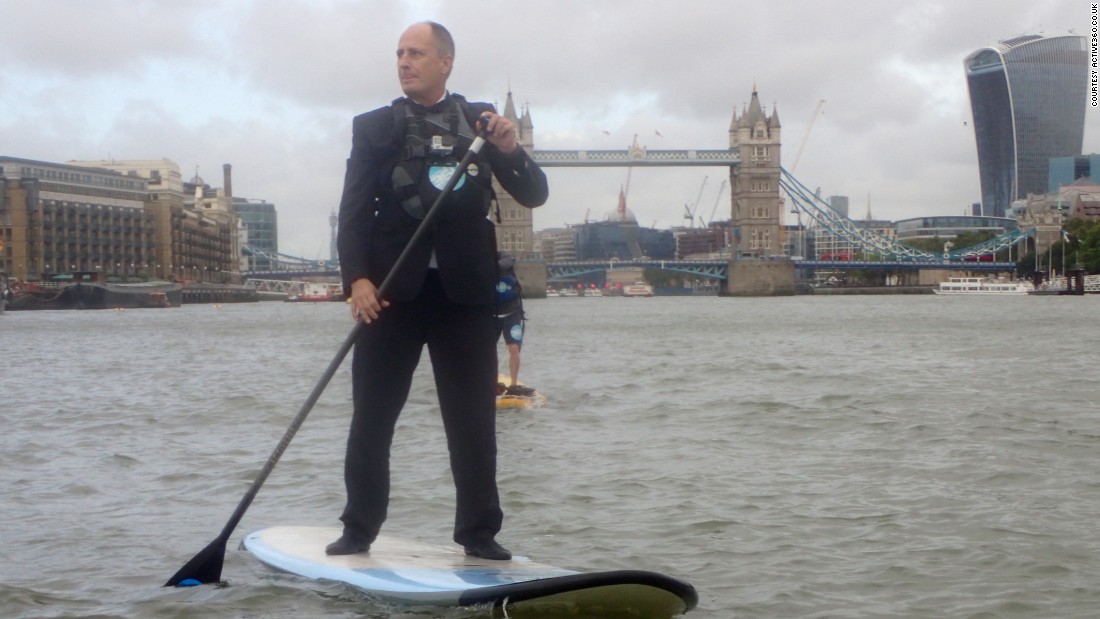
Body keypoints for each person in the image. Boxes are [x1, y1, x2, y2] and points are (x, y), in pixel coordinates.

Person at [332, 21, 548, 561]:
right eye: (400, 53)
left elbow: (533, 192)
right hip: (390, 297)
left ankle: (479, 534)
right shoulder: (374, 127)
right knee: (372, 419)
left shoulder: (480, 122)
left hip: (465, 296)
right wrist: (357, 279)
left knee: (473, 423)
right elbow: (354, 210)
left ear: (445, 62)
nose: (404, 61)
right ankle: (358, 529)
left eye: (416, 53)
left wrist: (510, 147)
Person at [495, 251, 535, 397]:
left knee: (513, 348)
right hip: (492, 313)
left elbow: (506, 263)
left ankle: (513, 384)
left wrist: (486, 265)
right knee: (488, 349)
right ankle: (493, 383)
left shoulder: (504, 257)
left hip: (512, 311)